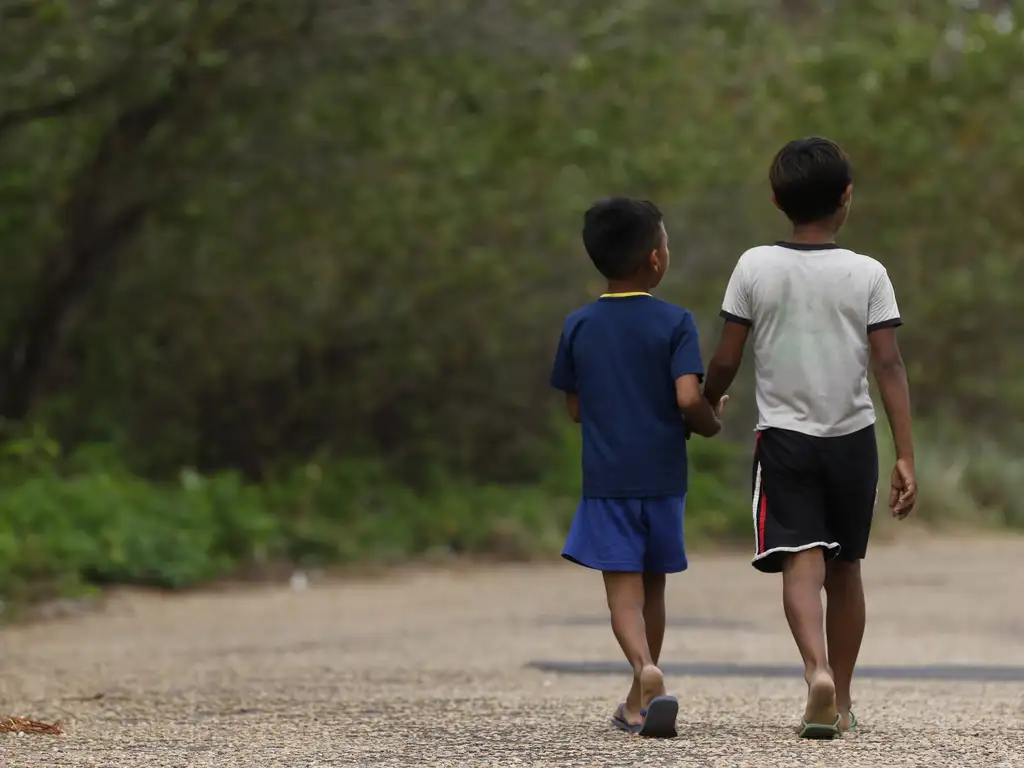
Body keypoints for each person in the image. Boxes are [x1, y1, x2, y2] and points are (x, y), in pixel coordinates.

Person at [701, 137, 917, 739]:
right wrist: (904, 453)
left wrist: (706, 399)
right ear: (846, 198)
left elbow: (727, 358)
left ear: (775, 199)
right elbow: (889, 365)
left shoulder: (754, 266)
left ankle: (815, 671)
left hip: (786, 440)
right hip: (853, 438)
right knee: (846, 568)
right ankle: (843, 700)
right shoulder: (868, 272)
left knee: (803, 564)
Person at [549, 197, 727, 739]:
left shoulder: (578, 325)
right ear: (654, 260)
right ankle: (638, 699)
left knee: (622, 593)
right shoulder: (675, 322)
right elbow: (686, 398)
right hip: (664, 479)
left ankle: (643, 673)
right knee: (655, 589)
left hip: (608, 481)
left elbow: (575, 407)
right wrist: (712, 420)